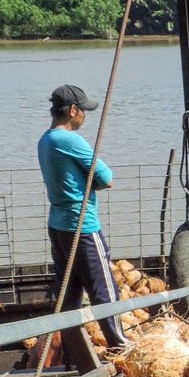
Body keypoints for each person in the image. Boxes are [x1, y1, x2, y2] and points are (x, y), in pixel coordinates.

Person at [38, 83, 128, 349]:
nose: (85, 117)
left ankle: (73, 353)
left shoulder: (45, 139)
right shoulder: (69, 139)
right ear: (73, 110)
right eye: (83, 111)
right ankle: (119, 347)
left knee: (70, 293)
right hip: (82, 226)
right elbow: (106, 179)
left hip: (58, 226)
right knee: (104, 291)